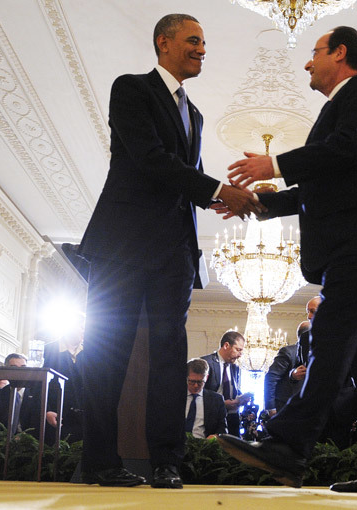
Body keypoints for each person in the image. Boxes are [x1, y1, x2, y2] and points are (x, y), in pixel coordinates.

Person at [215, 26, 357, 493]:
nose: (308, 63)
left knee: (328, 334)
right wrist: (260, 203)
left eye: (314, 53)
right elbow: (324, 183)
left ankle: (289, 445)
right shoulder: (340, 107)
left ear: (340, 53)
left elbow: (343, 151)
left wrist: (275, 165)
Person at [76, 13, 264, 489]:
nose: (202, 49)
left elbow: (184, 183)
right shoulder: (131, 89)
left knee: (168, 360)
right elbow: (150, 159)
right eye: (193, 40)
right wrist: (220, 189)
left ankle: (166, 462)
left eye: (204, 42)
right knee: (106, 356)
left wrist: (222, 199)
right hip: (123, 244)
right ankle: (100, 462)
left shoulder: (195, 114)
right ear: (164, 42)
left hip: (174, 255)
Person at [201, 331, 251, 437]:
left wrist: (241, 399)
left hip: (232, 419)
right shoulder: (206, 363)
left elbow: (234, 389)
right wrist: (221, 404)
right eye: (238, 350)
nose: (240, 355)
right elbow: (199, 392)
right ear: (226, 345)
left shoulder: (235, 367)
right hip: (211, 420)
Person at [264, 321, 309, 416]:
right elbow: (271, 378)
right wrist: (271, 408)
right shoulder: (289, 352)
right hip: (286, 408)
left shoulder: (318, 354)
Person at [185, 358, 227, 439]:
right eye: (192, 382)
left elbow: (222, 429)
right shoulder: (175, 397)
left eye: (200, 382)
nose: (196, 386)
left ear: (206, 378)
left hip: (203, 446)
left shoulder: (216, 400)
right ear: (186, 377)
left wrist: (215, 437)